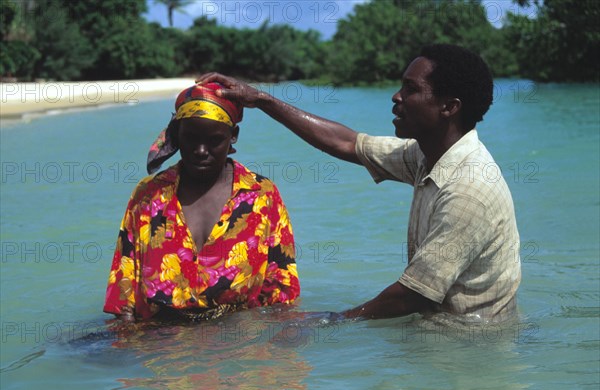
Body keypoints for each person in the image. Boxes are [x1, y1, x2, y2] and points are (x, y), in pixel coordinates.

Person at [197, 44, 521, 322]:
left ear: (449, 107)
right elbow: (348, 143)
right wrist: (262, 100)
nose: (397, 97)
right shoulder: (427, 156)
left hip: (470, 346)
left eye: (411, 89)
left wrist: (332, 322)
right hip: (440, 336)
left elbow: (411, 296)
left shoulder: (468, 190)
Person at [104, 83, 300, 322]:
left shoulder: (261, 196)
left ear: (233, 136)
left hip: (237, 343)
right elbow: (124, 294)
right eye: (191, 138)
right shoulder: (149, 195)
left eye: (214, 140)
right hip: (160, 344)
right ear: (177, 135)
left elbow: (281, 292)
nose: (200, 150)